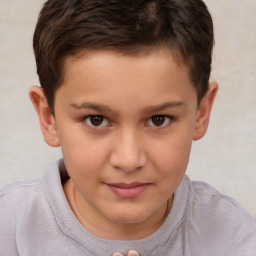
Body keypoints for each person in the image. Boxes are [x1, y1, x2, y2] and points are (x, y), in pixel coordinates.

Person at [0, 0, 256, 255]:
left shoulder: (232, 235)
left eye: (159, 119)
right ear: (49, 117)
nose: (129, 159)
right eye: (96, 119)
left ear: (201, 113)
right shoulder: (9, 227)